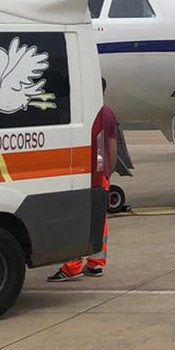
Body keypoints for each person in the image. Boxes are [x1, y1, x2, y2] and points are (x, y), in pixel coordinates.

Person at [50, 79, 119, 281]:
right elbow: (112, 148)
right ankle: (96, 264)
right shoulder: (108, 113)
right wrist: (108, 172)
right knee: (99, 221)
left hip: (81, 173)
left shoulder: (80, 111)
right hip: (101, 174)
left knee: (73, 219)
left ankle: (72, 267)